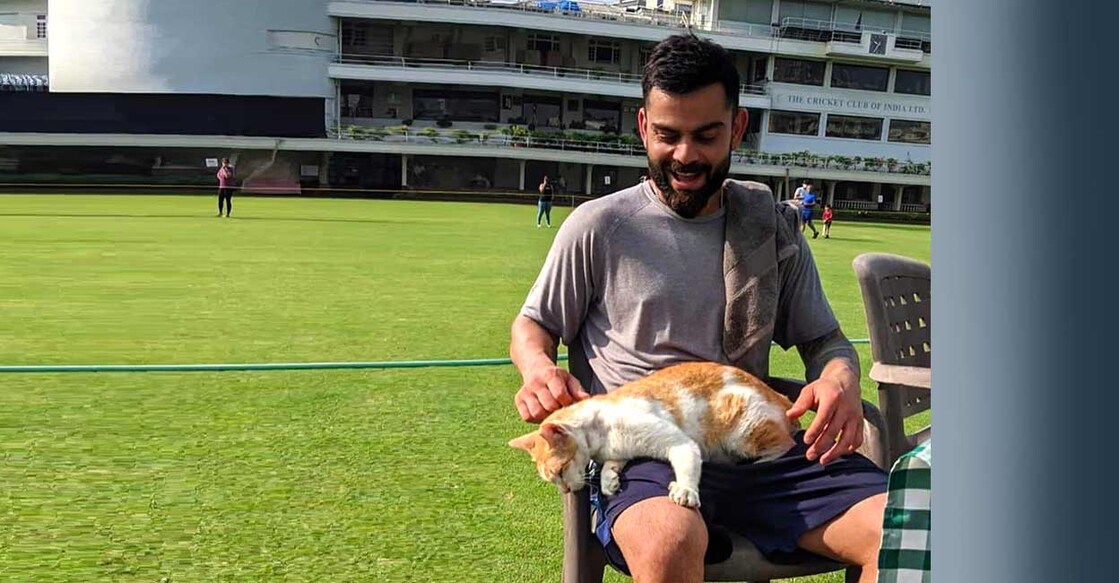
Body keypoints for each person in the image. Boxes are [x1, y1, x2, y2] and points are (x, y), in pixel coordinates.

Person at [510, 33, 886, 583]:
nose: (685, 155)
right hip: (642, 453)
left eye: (706, 136)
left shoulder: (772, 226)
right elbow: (533, 325)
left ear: (736, 128)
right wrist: (538, 368)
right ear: (643, 127)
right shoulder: (598, 226)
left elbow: (825, 342)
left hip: (756, 443)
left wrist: (840, 378)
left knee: (911, 529)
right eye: (667, 135)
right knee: (669, 540)